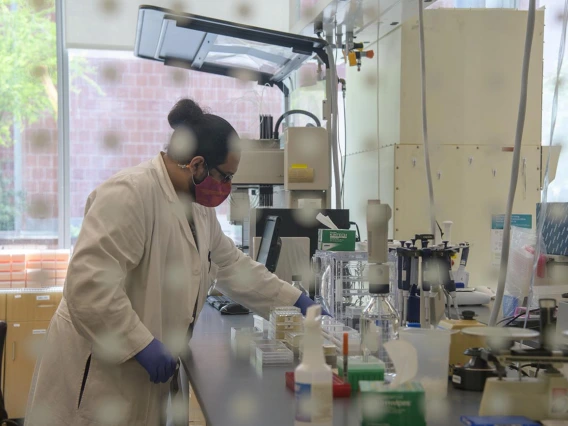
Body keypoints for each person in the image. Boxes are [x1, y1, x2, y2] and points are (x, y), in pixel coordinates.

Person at [25, 99, 319, 426]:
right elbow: (87, 285)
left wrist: (296, 301)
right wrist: (141, 344)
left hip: (137, 378)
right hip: (96, 372)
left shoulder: (197, 208)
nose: (228, 188)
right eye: (225, 176)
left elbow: (231, 265)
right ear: (196, 165)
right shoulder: (129, 194)